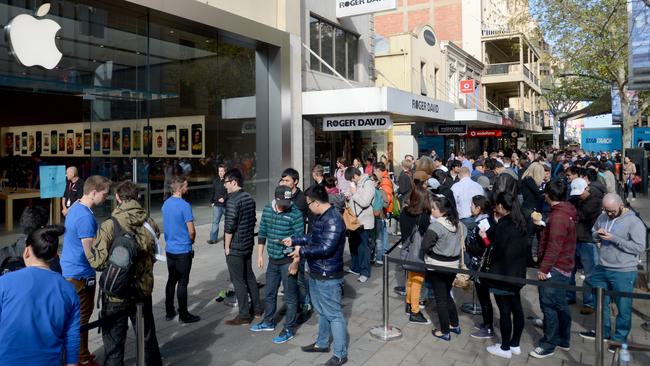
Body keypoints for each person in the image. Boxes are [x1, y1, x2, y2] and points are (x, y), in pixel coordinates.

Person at [87, 180, 163, 365]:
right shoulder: (150, 223)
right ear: (137, 197)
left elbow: (97, 262)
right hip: (142, 292)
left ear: (118, 198)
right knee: (147, 340)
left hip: (115, 295)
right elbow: (153, 251)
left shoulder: (110, 225)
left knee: (114, 347)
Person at [283, 185, 349, 366]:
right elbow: (313, 237)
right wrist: (295, 240)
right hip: (317, 272)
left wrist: (301, 252)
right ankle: (321, 343)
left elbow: (326, 248)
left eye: (308, 203)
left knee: (334, 314)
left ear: (316, 202)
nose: (308, 207)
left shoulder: (334, 219)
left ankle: (340, 354)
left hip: (328, 274)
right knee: (322, 311)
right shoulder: (321, 217)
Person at [0, 225, 80, 365]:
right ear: (56, 256)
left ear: (26, 252)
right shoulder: (68, 290)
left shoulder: (5, 282)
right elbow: (72, 337)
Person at [580, 193, 646, 353]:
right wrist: (598, 235)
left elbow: (639, 247)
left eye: (611, 211)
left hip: (623, 270)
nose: (608, 214)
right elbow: (594, 231)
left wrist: (614, 238)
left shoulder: (634, 222)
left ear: (621, 205)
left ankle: (619, 339)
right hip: (603, 267)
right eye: (606, 210)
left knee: (624, 307)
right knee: (600, 300)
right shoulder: (603, 217)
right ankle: (604, 331)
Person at [61, 175, 110, 366]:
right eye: (104, 194)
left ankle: (82, 352)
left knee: (78, 317)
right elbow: (90, 253)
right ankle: (80, 358)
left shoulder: (76, 208)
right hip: (80, 274)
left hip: (72, 271)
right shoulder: (85, 218)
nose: (106, 197)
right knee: (82, 318)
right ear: (94, 192)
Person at [250, 185, 304, 344]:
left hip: (288, 260)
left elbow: (300, 239)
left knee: (290, 296)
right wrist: (260, 255)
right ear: (275, 198)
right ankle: (268, 322)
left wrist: (296, 261)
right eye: (281, 202)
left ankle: (289, 329)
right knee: (269, 292)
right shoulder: (267, 210)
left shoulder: (295, 213)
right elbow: (262, 232)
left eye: (286, 202)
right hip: (272, 260)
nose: (283, 205)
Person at [530, 179, 577, 359]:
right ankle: (563, 337)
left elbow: (554, 246)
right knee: (559, 303)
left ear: (548, 195)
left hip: (556, 267)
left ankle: (549, 343)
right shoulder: (565, 211)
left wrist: (544, 268)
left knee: (548, 304)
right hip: (564, 264)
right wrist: (543, 226)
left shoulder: (558, 216)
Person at [482, 192, 527, 359]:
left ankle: (505, 347)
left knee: (505, 311)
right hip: (517, 273)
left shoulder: (504, 225)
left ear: (501, 206)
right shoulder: (521, 222)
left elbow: (497, 250)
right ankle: (515, 343)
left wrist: (486, 240)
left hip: (503, 274)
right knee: (517, 308)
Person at [421, 196, 464, 341]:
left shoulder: (436, 226)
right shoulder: (457, 223)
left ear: (442, 210)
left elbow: (425, 246)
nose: (431, 210)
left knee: (441, 299)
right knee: (447, 295)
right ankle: (455, 324)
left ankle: (445, 331)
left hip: (438, 265)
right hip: (453, 265)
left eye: (434, 208)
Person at [223, 168, 262, 325]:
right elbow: (252, 221)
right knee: (250, 276)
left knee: (238, 281)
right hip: (247, 243)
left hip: (236, 246)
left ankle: (244, 315)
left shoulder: (232, 200)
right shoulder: (248, 197)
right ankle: (257, 309)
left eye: (226, 182)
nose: (225, 186)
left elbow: (229, 226)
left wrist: (227, 247)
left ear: (233, 182)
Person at [162, 176, 200, 324]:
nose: (188, 188)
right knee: (182, 283)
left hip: (170, 249)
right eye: (186, 186)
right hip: (183, 249)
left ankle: (169, 311)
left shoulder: (166, 204)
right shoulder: (185, 206)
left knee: (171, 280)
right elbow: (191, 231)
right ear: (180, 188)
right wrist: (191, 240)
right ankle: (184, 314)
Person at [567, 178, 601, 314]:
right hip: (573, 239)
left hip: (588, 240)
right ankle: (569, 296)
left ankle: (589, 302)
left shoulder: (596, 200)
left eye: (580, 193)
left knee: (590, 273)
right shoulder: (574, 199)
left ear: (587, 189)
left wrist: (571, 215)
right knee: (569, 270)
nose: (578, 196)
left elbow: (582, 214)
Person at [399, 186, 432, 324]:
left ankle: (408, 303)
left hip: (407, 250)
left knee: (411, 279)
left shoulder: (404, 212)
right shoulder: (423, 216)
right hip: (418, 252)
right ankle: (415, 311)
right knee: (418, 280)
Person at [466, 195, 495, 339]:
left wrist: (468, 246)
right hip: (480, 263)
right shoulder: (484, 220)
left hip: (482, 265)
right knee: (483, 297)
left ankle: (489, 327)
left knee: (484, 297)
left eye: (472, 205)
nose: (470, 208)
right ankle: (486, 323)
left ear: (478, 208)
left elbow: (482, 246)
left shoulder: (483, 223)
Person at [344, 166, 375, 283]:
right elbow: (350, 195)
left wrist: (354, 194)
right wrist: (347, 195)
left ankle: (365, 272)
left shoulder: (368, 183)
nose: (351, 182)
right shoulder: (355, 183)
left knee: (363, 247)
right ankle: (355, 267)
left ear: (355, 176)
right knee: (354, 244)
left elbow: (365, 201)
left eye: (351, 179)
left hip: (364, 221)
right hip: (353, 220)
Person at [373, 162, 393, 264]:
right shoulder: (385, 179)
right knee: (382, 232)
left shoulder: (384, 182)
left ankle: (384, 253)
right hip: (384, 211)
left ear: (379, 171)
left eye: (375, 170)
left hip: (383, 211)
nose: (374, 172)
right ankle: (384, 252)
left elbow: (387, 198)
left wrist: (380, 206)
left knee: (382, 233)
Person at [208, 164, 227, 244]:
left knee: (229, 223)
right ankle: (213, 239)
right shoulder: (215, 181)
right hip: (217, 205)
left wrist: (224, 198)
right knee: (215, 222)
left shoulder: (228, 181)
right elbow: (213, 192)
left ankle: (229, 238)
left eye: (222, 171)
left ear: (225, 171)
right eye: (219, 171)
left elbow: (231, 192)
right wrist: (212, 201)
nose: (220, 172)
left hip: (226, 205)